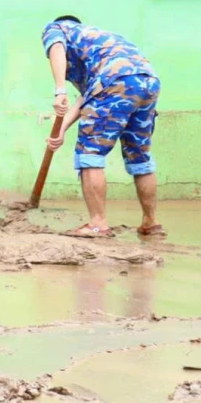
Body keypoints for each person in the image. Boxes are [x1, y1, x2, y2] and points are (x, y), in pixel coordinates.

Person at [42, 15, 163, 239]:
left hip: (114, 81)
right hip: (148, 81)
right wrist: (61, 129)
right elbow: (89, 96)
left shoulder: (59, 28)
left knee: (90, 152)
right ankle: (151, 222)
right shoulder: (102, 45)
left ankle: (97, 224)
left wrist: (60, 90)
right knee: (140, 156)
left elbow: (56, 47)